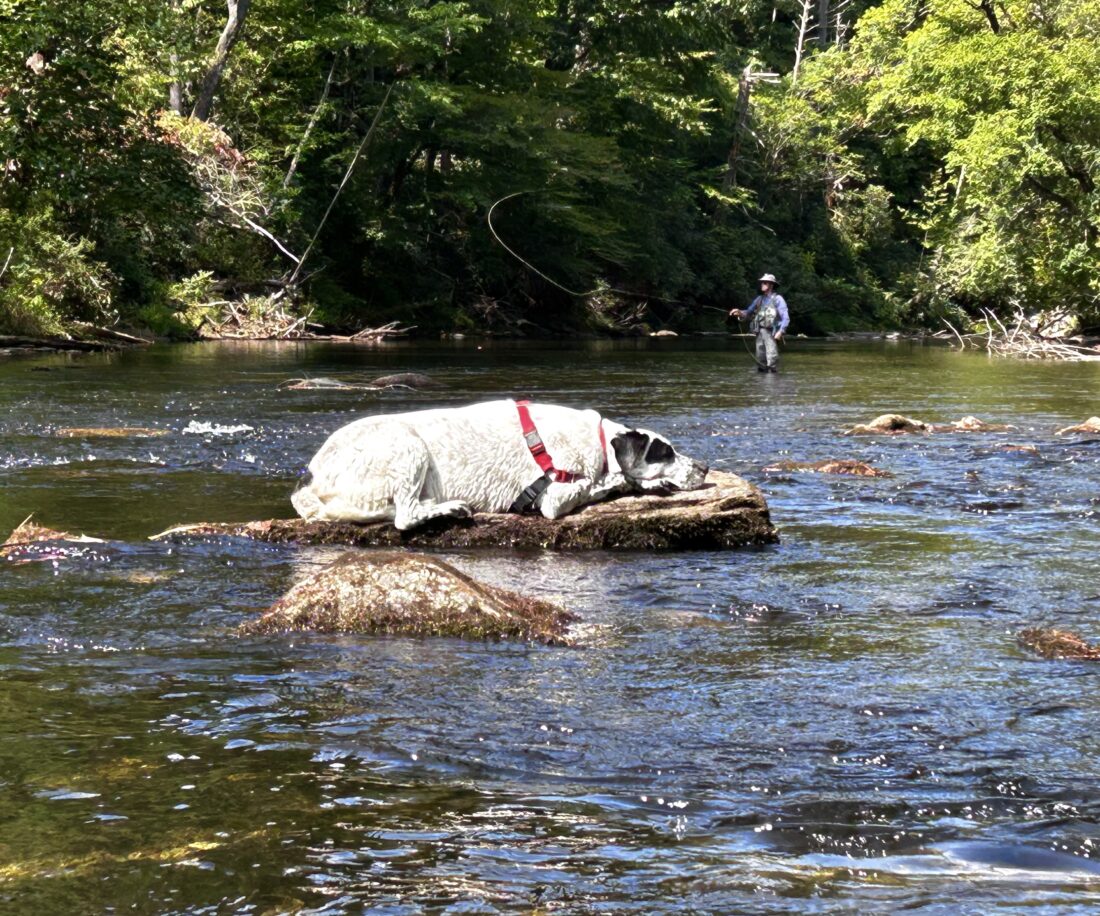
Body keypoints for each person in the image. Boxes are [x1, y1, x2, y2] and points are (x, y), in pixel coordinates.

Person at [729, 273, 789, 372]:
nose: (762, 284)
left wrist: (780, 332)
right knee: (760, 360)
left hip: (771, 333)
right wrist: (739, 312)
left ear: (771, 285)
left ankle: (771, 383)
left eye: (765, 283)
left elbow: (786, 318)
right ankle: (761, 384)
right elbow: (748, 312)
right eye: (762, 283)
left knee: (772, 359)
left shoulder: (778, 299)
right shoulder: (759, 299)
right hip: (759, 332)